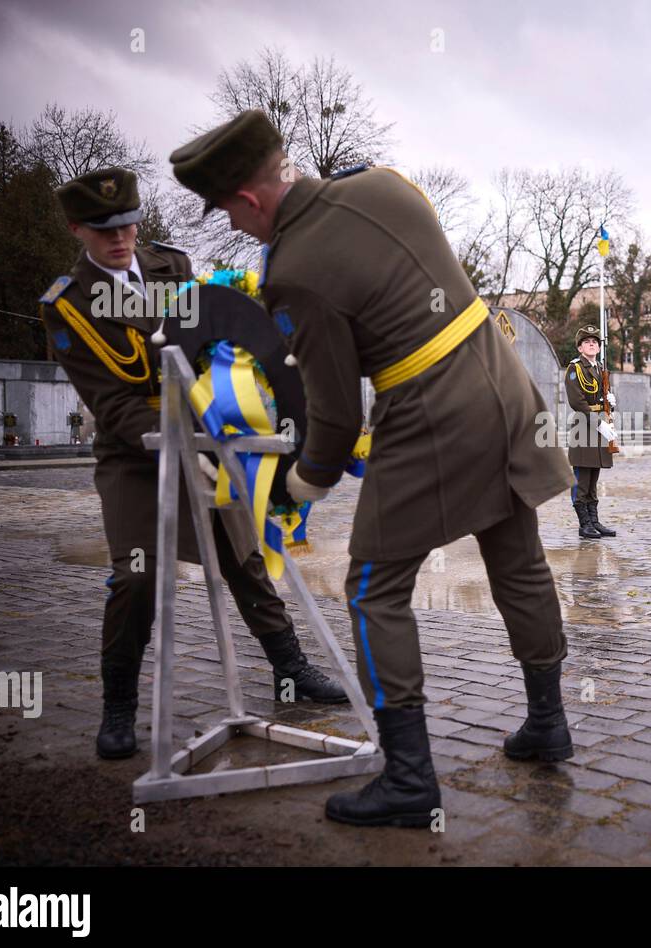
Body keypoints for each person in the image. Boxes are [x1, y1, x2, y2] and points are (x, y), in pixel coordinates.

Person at [170, 110, 576, 828]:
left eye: (227, 211)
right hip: (505, 388)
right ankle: (548, 720)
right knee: (518, 562)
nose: (232, 227)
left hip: (430, 417)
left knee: (371, 589)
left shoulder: (294, 272)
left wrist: (300, 485)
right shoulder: (385, 185)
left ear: (251, 199)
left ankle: (409, 777)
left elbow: (332, 417)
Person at [39, 167, 346, 761]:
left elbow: (211, 346)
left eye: (128, 224)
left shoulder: (171, 269)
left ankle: (292, 669)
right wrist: (175, 435)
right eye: (104, 230)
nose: (121, 238)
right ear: (77, 229)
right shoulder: (67, 306)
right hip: (135, 453)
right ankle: (120, 706)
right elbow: (111, 403)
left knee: (243, 555)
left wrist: (234, 412)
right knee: (136, 576)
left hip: (205, 435)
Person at [565, 326, 618, 538]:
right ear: (580, 347)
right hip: (584, 427)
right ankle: (584, 524)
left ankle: (594, 521)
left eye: (595, 342)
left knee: (593, 477)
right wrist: (600, 423)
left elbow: (599, 397)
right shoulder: (574, 369)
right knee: (581, 479)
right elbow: (577, 401)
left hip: (598, 428)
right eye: (587, 342)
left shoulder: (600, 368)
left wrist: (610, 403)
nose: (591, 344)